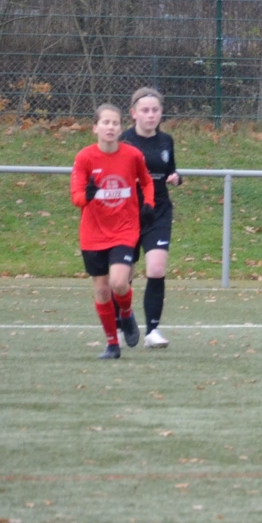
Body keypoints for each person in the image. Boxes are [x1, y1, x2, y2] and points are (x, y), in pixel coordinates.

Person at [71, 103, 155, 360]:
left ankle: (126, 314)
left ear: (121, 128)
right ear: (95, 128)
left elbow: (147, 181)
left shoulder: (132, 155)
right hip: (93, 233)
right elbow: (76, 196)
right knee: (102, 289)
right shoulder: (84, 157)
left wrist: (149, 203)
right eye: (105, 123)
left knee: (119, 282)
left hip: (124, 229)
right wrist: (86, 197)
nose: (110, 127)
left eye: (115, 123)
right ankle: (112, 344)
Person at [120, 87, 182, 348]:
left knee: (156, 269)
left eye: (155, 110)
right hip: (127, 212)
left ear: (161, 113)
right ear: (134, 113)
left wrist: (176, 178)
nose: (150, 115)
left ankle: (152, 331)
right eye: (145, 110)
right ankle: (122, 322)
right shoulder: (124, 140)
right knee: (122, 276)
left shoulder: (166, 141)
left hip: (158, 211)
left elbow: (170, 170)